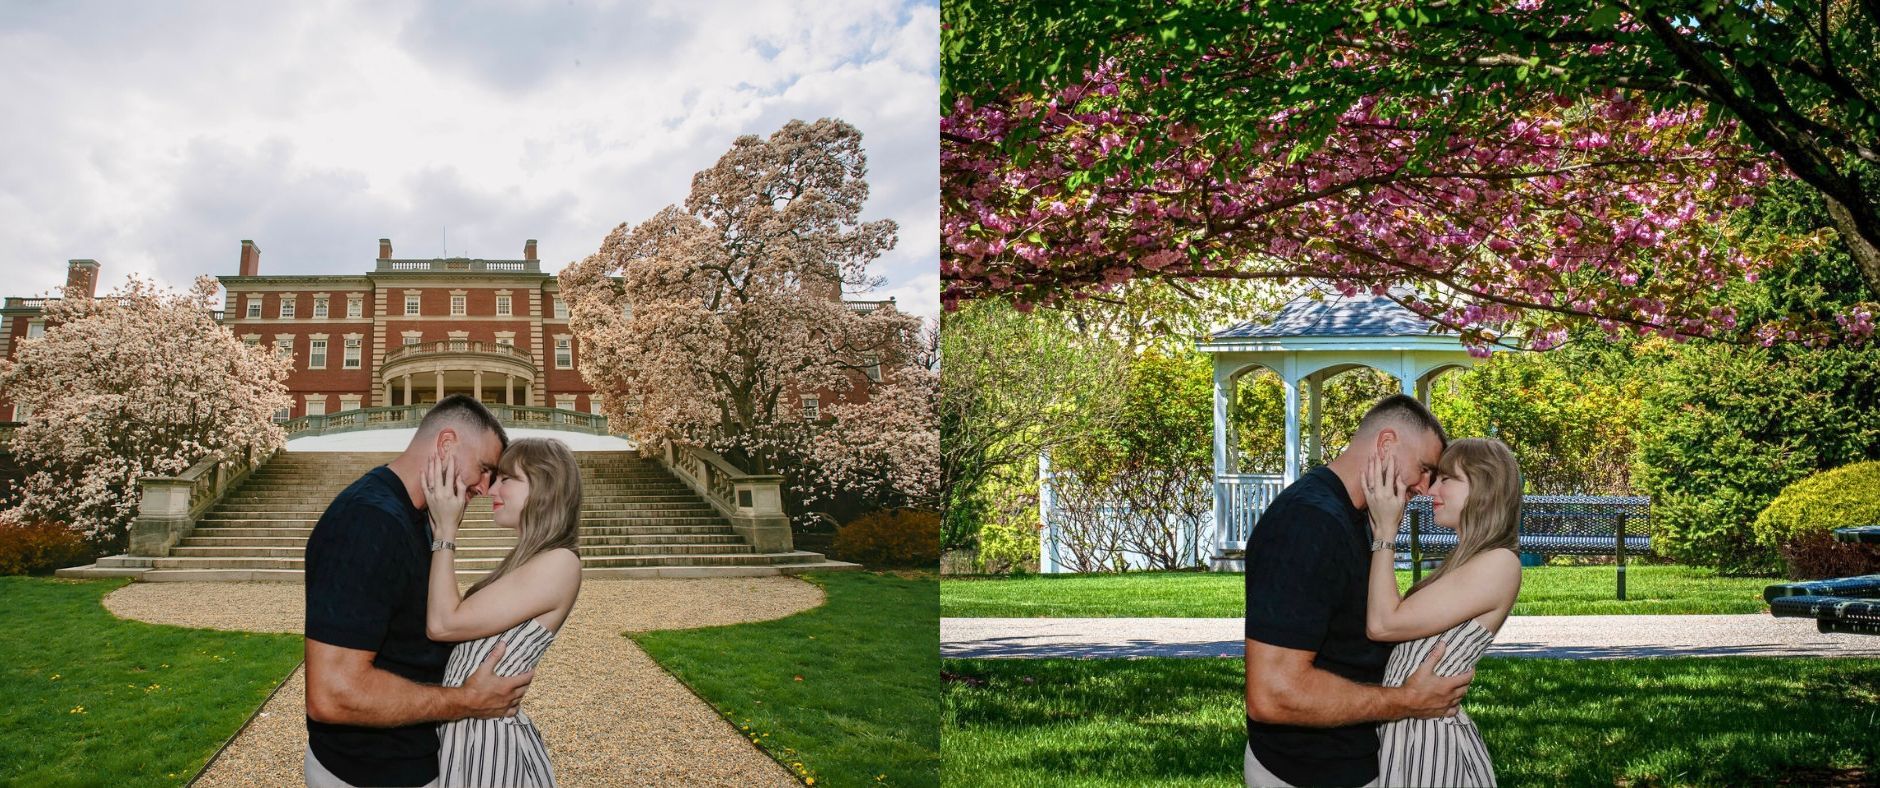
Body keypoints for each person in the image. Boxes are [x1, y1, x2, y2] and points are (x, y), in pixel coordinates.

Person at [1243, 394, 1474, 788]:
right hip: (1307, 772)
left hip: (1346, 761)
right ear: (1385, 444)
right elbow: (1273, 694)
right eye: (1423, 469)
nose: (1424, 487)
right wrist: (1408, 701)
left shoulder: (1356, 516)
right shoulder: (1308, 522)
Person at [304, 394, 531, 787]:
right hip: (369, 773)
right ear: (446, 444)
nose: (485, 487)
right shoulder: (369, 521)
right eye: (484, 469)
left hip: (404, 759)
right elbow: (333, 693)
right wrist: (469, 700)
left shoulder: (417, 515)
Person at [423, 437, 584, 787]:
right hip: (469, 732)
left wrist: (446, 530)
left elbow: (443, 623)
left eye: (507, 478)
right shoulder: (529, 560)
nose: (491, 488)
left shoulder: (560, 562)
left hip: (489, 743)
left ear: (545, 485)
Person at [1363, 438, 1523, 787]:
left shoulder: (1499, 563)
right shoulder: (1467, 563)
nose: (1431, 489)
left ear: (1484, 486)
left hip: (1431, 746)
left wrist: (1386, 533)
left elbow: (1383, 623)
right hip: (1410, 734)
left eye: (1446, 479)